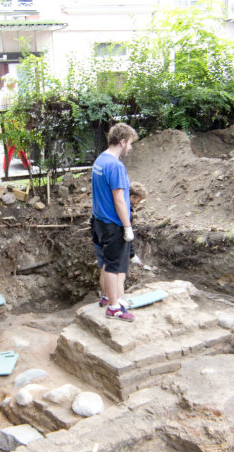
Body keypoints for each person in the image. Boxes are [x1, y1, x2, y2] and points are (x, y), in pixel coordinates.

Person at [91, 122, 139, 322]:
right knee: (113, 267)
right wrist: (127, 227)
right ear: (121, 142)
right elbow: (119, 199)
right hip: (112, 224)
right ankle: (114, 307)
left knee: (104, 262)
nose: (130, 147)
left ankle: (106, 297)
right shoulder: (116, 166)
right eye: (129, 143)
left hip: (98, 221)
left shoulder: (100, 160)